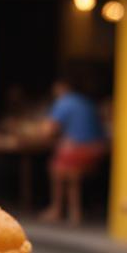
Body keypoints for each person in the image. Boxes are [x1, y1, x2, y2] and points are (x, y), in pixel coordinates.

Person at [42, 74, 107, 225]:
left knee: (56, 168)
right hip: (99, 150)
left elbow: (48, 129)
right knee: (64, 161)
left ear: (62, 87)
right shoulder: (87, 102)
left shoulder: (64, 102)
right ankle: (74, 212)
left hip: (80, 151)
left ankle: (59, 209)